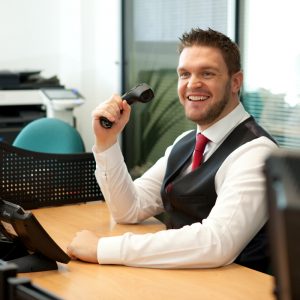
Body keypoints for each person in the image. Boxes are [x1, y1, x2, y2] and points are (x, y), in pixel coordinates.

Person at [67, 28, 277, 272]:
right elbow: (129, 209)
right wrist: (107, 142)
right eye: (184, 74)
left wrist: (103, 248)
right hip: (182, 279)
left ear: (235, 82)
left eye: (207, 73)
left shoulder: (256, 153)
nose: (193, 84)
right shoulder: (185, 143)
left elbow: (217, 243)